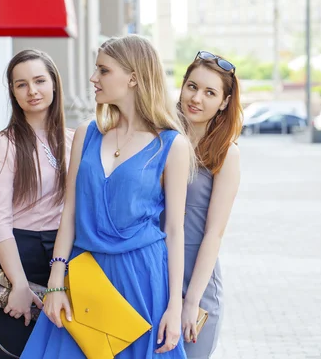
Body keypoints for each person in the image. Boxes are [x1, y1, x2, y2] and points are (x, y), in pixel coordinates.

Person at [21, 35, 195, 358]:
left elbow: (174, 230)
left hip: (142, 282)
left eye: (103, 70)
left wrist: (174, 306)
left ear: (133, 77)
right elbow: (70, 211)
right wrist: (56, 281)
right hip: (84, 278)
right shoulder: (87, 134)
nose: (93, 79)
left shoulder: (172, 146)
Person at [0, 49, 74, 357]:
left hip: (64, 257)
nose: (32, 91)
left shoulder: (75, 140)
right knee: (13, 350)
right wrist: (19, 284)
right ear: (13, 92)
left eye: (39, 81)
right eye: (21, 84)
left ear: (54, 84)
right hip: (14, 256)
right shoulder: (2, 146)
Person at [175, 51, 242, 358]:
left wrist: (191, 302)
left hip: (197, 284)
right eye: (192, 86)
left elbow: (214, 234)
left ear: (225, 102)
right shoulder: (162, 139)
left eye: (209, 92)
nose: (196, 98)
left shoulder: (226, 154)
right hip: (154, 275)